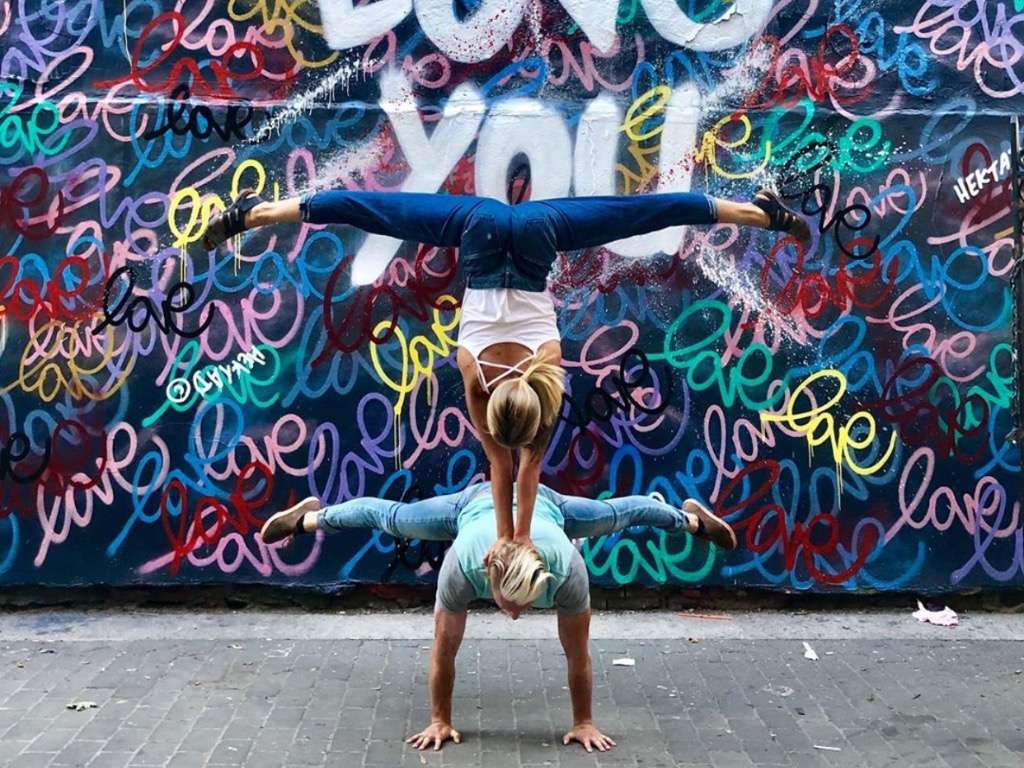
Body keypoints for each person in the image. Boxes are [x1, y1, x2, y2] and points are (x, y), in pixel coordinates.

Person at [205, 188, 805, 573]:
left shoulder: (547, 376)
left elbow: (520, 472)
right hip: (480, 230)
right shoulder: (473, 370)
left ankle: (256, 213)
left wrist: (518, 539)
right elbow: (504, 468)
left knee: (639, 212)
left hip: (537, 232)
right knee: (372, 207)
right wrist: (511, 538)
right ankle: (761, 211)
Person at [258, 482, 737, 752]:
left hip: (547, 506)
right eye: (511, 604)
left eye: (527, 603)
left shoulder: (566, 571)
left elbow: (579, 656)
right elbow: (444, 650)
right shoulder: (463, 565)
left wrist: (585, 722)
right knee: (396, 519)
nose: (515, 615)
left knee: (618, 515)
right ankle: (309, 517)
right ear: (488, 574)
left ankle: (692, 520)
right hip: (473, 506)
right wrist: (439, 720)